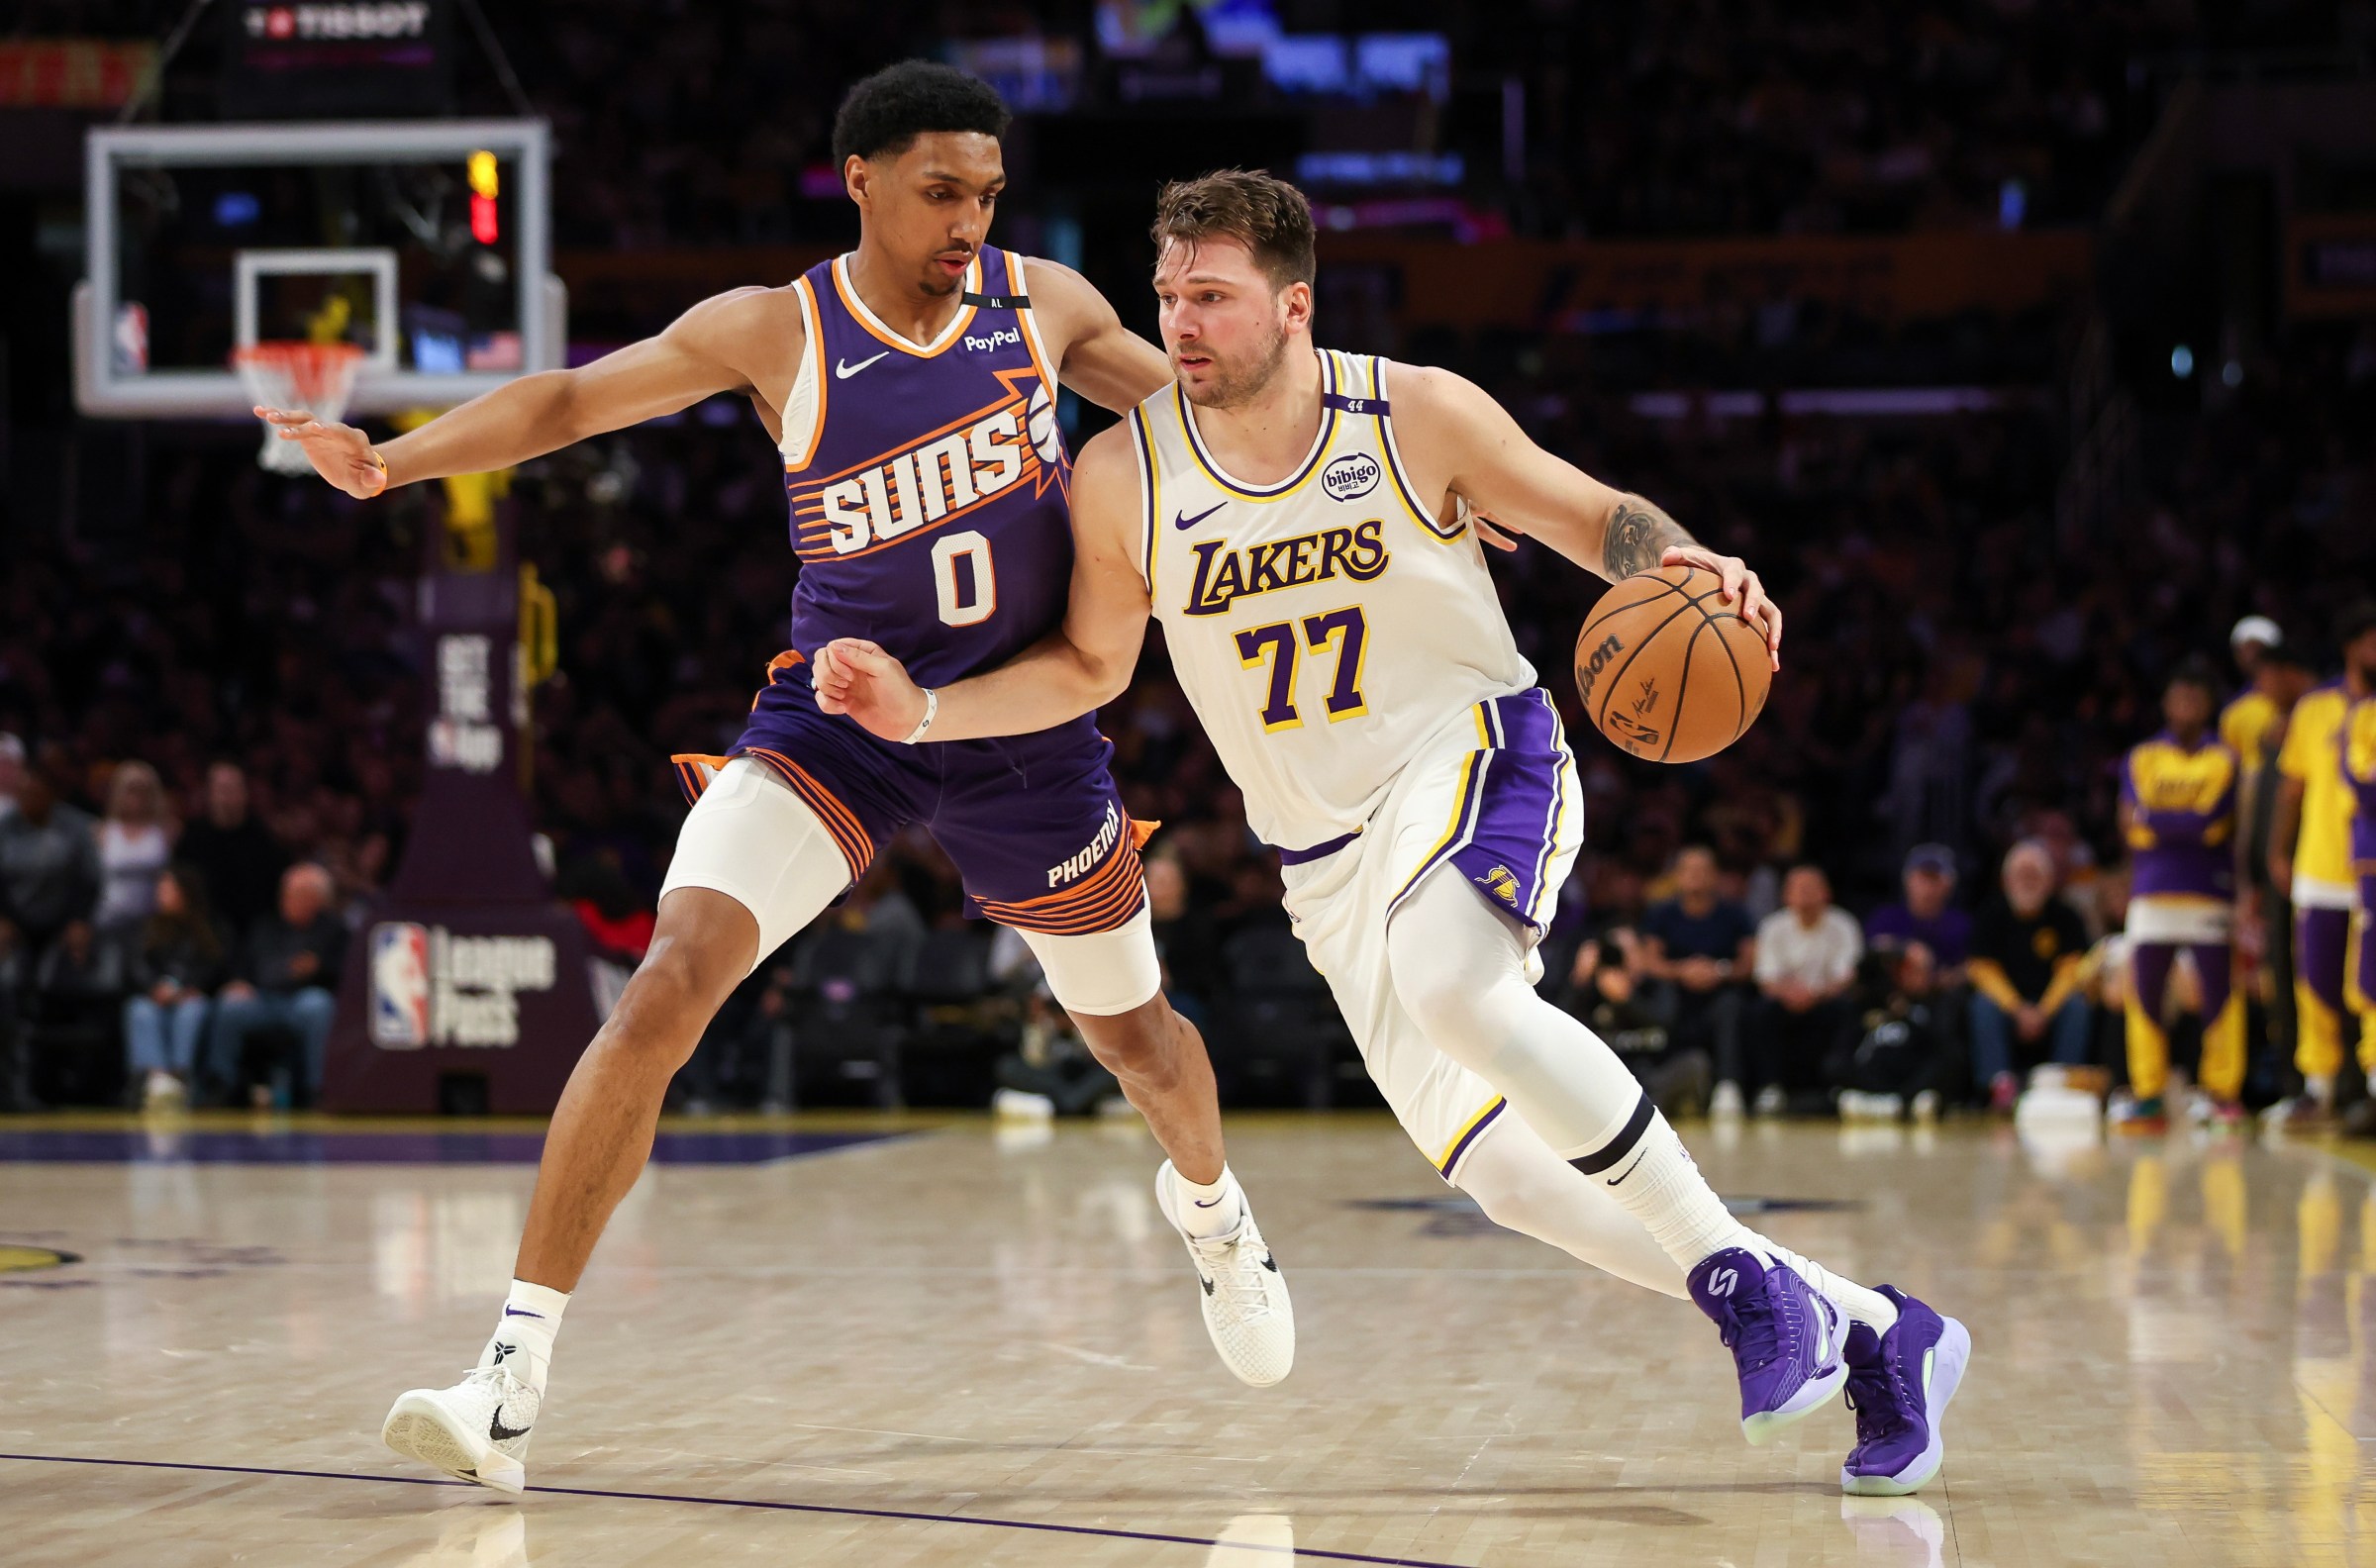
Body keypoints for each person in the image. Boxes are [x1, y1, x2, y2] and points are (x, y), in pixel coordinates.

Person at [817, 168, 1969, 1497]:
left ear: (1293, 305)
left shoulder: (1410, 413)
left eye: (1212, 298)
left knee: (1456, 985)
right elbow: (1086, 667)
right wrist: (924, 711)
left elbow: (1591, 518)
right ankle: (1876, 1330)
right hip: (1325, 863)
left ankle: (1738, 1287)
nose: (1180, 325)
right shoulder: (1123, 475)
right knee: (1514, 1182)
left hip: (1472, 754)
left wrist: (1687, 561)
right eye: (1167, 298)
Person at [264, 63, 1292, 1494]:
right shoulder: (775, 331)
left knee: (1139, 1049)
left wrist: (1405, 476)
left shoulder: (1043, 304)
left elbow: (1226, 418)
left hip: (1025, 728)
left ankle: (1215, 1216)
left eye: (986, 193)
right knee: (673, 974)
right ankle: (510, 1368)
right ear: (859, 179)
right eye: (942, 190)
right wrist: (390, 464)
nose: (969, 219)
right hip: (844, 722)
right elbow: (566, 400)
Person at [2113, 660, 2245, 1132]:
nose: (2186, 706)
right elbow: (2131, 823)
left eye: (2195, 698)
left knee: (2219, 992)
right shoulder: (2142, 757)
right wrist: (2185, 821)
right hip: (2151, 891)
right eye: (2178, 697)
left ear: (2208, 706)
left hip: (2209, 891)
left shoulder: (2225, 758)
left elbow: (2214, 825)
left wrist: (2161, 819)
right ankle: (2148, 1093)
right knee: (2144, 990)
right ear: (2166, 704)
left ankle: (2221, 1091)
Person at [2266, 603, 2376, 1129]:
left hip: (2372, 870)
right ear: (2352, 647)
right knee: (2317, 983)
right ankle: (2320, 1089)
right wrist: (2277, 852)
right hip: (2320, 866)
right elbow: (2292, 789)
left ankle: (2372, 1084)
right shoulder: (2314, 710)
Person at [206, 862, 346, 1107]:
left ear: (317, 899)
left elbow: (345, 974)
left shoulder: (335, 931)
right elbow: (243, 963)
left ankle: (317, 1088)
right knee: (231, 1006)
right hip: (264, 999)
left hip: (303, 1000)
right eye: (287, 893)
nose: (288, 900)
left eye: (298, 894)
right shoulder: (266, 925)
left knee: (318, 1005)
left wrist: (319, 970)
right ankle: (220, 1083)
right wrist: (239, 982)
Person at [1966, 840, 2092, 1110]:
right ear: (2006, 880)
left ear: (2049, 880)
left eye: (2034, 874)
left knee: (2077, 1005)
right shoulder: (1991, 915)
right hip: (2008, 1007)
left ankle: (2061, 1083)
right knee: (1982, 1005)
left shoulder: (2066, 916)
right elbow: (1983, 971)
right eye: (2021, 875)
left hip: (2050, 1007)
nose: (2027, 881)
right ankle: (1999, 1085)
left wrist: (2044, 1011)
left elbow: (2072, 972)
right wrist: (2017, 1009)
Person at [1639, 845, 1757, 1114]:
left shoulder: (1734, 915)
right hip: (1676, 997)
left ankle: (1728, 1086)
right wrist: (1683, 971)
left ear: (1715, 876)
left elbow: (1749, 963)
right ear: (1677, 876)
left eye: (1703, 870)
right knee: (1660, 1000)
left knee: (1731, 1005)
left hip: (1719, 996)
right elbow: (1650, 962)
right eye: (1689, 870)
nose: (1696, 876)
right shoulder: (1661, 914)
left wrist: (1719, 971)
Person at [1748, 864, 1864, 1116]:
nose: (1804, 894)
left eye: (1811, 888)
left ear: (1826, 893)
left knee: (1848, 1009)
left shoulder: (1843, 925)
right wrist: (1791, 993)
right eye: (1798, 888)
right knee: (1761, 1011)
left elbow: (1846, 976)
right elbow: (1766, 978)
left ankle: (1836, 1085)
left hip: (1825, 1001)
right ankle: (1770, 1087)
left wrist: (1815, 994)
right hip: (1786, 1003)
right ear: (1786, 895)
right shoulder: (1773, 927)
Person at [122, 864, 227, 1109]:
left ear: (185, 893)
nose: (161, 893)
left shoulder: (209, 928)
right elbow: (136, 966)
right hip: (153, 996)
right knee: (140, 1009)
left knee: (191, 1009)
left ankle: (182, 1077)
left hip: (191, 995)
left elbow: (214, 966)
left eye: (168, 888)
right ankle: (155, 1080)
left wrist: (189, 988)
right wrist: (153, 988)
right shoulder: (147, 927)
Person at [175, 761, 288, 943]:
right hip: (202, 935)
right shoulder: (193, 836)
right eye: (221, 789)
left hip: (252, 934)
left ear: (244, 793)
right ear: (209, 794)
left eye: (232, 789)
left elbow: (275, 893)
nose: (226, 797)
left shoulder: (263, 837)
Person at [1863, 844, 1971, 978]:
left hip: (1943, 992)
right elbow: (1873, 946)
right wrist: (1906, 950)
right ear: (1907, 881)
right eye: (1921, 878)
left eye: (1935, 879)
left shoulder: (1960, 924)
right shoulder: (1886, 917)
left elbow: (1971, 965)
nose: (1927, 887)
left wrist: (1945, 978)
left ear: (1949, 885)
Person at [94, 760, 174, 934]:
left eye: (143, 789)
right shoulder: (102, 831)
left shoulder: (166, 831)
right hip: (110, 920)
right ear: (118, 791)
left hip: (151, 923)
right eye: (131, 789)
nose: (137, 796)